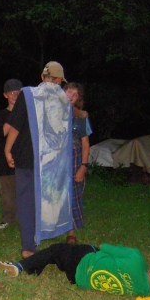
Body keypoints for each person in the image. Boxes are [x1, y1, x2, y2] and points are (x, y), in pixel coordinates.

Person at [4, 61, 72, 258]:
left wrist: (8, 150)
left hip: (26, 156)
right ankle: (44, 232)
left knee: (26, 199)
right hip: (51, 161)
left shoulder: (27, 94)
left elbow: (15, 126)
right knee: (45, 198)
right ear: (59, 80)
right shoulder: (64, 100)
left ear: (43, 76)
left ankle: (28, 246)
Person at [0, 242, 150, 300]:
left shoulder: (137, 259)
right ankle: (33, 268)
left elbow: (106, 247)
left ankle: (20, 267)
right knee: (56, 257)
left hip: (82, 261)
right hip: (77, 280)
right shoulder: (142, 293)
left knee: (57, 250)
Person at [63, 82, 92, 244]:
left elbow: (85, 144)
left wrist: (83, 166)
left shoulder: (81, 118)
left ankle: (71, 232)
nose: (71, 97)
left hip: (74, 156)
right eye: (69, 92)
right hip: (55, 157)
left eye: (75, 95)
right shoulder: (52, 111)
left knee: (72, 194)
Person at [0, 79, 22, 230]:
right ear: (5, 95)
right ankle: (7, 219)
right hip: (6, 158)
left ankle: (25, 219)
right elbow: (3, 132)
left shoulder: (26, 113)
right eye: (12, 93)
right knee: (7, 191)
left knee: (24, 190)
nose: (15, 95)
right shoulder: (2, 114)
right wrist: (15, 113)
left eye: (18, 93)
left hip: (23, 156)